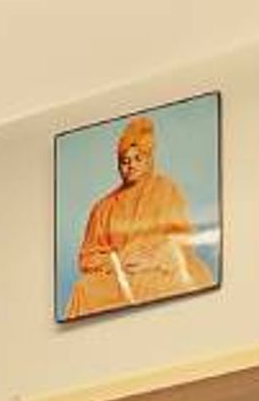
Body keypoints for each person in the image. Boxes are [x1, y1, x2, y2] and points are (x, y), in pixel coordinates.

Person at [67, 113, 205, 317]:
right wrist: (118, 260)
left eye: (137, 158)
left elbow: (183, 239)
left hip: (159, 268)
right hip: (119, 274)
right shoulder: (103, 207)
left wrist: (155, 259)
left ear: (149, 160)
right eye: (125, 161)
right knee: (83, 289)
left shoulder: (166, 189)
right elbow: (87, 258)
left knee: (162, 284)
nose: (130, 165)